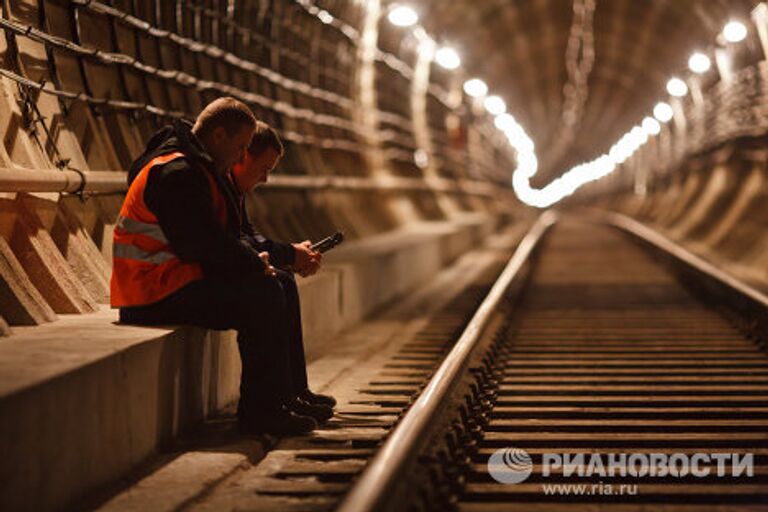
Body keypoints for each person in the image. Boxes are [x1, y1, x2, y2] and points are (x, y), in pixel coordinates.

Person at [111, 97, 334, 435]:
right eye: (240, 146)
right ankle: (262, 412)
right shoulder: (177, 172)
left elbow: (222, 240)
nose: (241, 156)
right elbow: (200, 244)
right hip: (150, 293)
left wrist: (257, 262)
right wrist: (253, 262)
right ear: (218, 136)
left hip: (171, 283)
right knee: (262, 294)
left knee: (276, 284)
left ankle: (284, 398)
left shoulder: (200, 170)